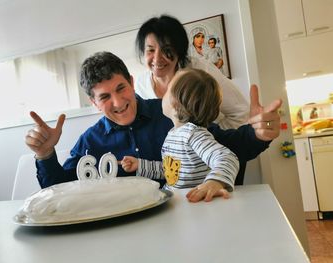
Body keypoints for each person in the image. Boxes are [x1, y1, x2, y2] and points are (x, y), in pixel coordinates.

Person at [25, 51, 281, 191]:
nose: (117, 102)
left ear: (132, 82)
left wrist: (257, 134)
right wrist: (46, 155)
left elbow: (225, 147)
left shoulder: (174, 113)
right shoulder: (90, 142)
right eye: (104, 97)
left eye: (121, 88)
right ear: (93, 103)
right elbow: (58, 190)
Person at [121, 68, 239, 202]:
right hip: (177, 203)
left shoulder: (193, 134)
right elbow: (171, 171)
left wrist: (214, 182)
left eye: (167, 91)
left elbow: (227, 158)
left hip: (195, 205)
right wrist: (140, 165)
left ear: (176, 103)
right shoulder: (174, 134)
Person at [134, 15, 249, 129]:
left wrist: (211, 138)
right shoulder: (140, 85)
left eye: (166, 50)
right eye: (151, 50)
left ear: (179, 50)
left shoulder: (201, 71)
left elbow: (242, 113)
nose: (157, 58)